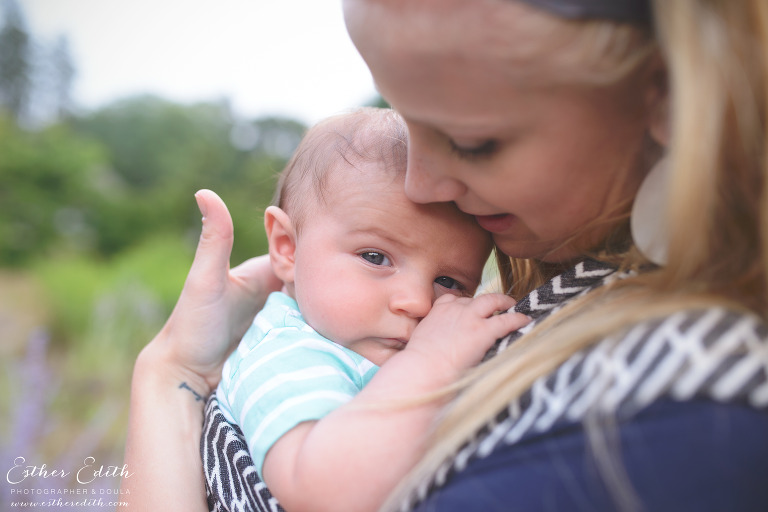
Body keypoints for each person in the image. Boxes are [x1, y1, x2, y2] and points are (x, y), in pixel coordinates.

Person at [121, 0, 768, 511]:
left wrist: (171, 374)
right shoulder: (299, 355)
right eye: (403, 117)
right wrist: (173, 369)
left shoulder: (694, 404)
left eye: (472, 140)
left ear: (666, 96)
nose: (421, 185)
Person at [214, 107, 528, 512]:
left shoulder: (344, 343)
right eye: (376, 257)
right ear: (288, 248)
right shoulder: (287, 354)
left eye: (449, 282)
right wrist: (431, 361)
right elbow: (321, 493)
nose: (417, 302)